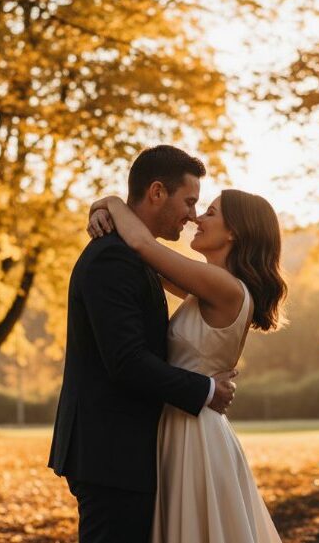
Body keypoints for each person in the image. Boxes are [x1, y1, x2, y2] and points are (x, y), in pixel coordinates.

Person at [87, 157, 288, 542]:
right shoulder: (209, 287)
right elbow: (146, 269)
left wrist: (112, 202)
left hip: (193, 430)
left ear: (234, 233)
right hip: (182, 421)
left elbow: (143, 245)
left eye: (209, 212)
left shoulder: (223, 287)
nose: (197, 218)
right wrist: (99, 211)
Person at [48, 145, 238, 543]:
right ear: (156, 192)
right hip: (112, 454)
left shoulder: (138, 256)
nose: (192, 215)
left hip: (133, 452)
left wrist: (111, 205)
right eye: (188, 202)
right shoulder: (113, 259)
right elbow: (126, 361)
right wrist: (206, 389)